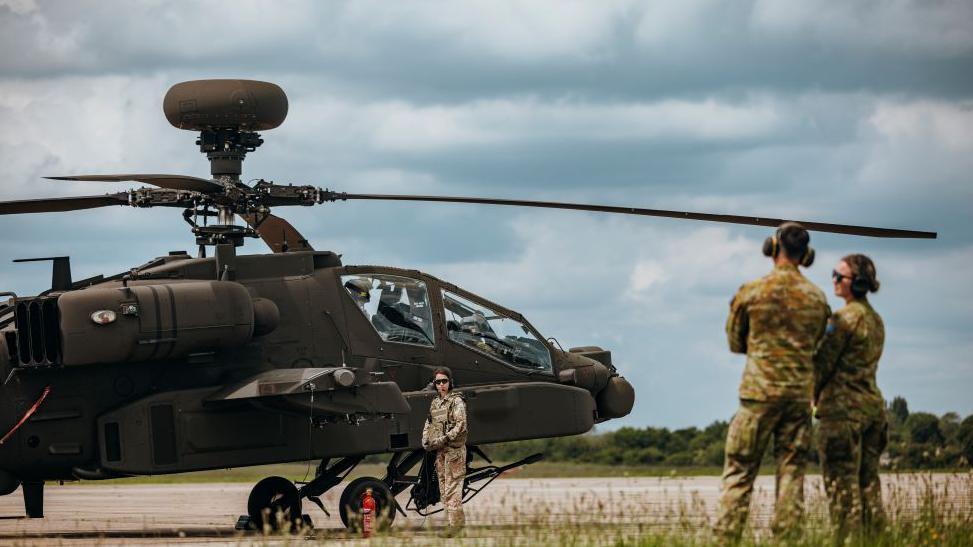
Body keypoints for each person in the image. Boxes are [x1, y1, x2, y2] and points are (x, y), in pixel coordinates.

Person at [715, 222, 831, 541]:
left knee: (739, 472)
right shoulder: (817, 298)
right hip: (797, 399)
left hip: (758, 396)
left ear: (773, 248)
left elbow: (735, 343)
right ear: (805, 254)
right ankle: (788, 539)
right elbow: (818, 344)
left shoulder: (751, 292)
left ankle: (726, 539)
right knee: (792, 475)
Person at [814, 254, 886, 541]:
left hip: (843, 415)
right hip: (872, 412)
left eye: (839, 275)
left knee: (842, 494)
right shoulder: (875, 319)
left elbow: (822, 362)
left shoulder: (844, 319)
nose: (833, 279)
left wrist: (811, 393)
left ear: (855, 283)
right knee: (869, 489)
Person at [420, 367, 467, 531]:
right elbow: (429, 423)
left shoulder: (456, 401)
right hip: (440, 452)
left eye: (444, 381)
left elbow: (461, 426)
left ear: (450, 382)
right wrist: (425, 439)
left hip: (454, 451)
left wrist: (444, 439)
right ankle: (454, 524)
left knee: (452, 488)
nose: (441, 385)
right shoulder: (436, 402)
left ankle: (456, 527)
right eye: (438, 382)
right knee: (443, 489)